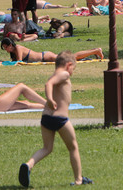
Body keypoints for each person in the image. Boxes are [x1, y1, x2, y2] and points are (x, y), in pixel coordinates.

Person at [19, 51, 93, 187]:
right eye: (73, 69)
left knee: (47, 148)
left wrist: (50, 99)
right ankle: (78, 180)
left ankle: (28, 165)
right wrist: (50, 98)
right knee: (73, 147)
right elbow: (48, 84)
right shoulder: (63, 74)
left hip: (46, 117)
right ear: (68, 65)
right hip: (60, 119)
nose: (72, 73)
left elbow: (50, 83)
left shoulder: (55, 73)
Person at [0, 38, 103, 62]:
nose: (6, 50)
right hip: (45, 57)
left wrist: (2, 63)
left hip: (45, 56)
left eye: (5, 47)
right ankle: (93, 50)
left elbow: (19, 62)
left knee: (72, 58)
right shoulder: (14, 52)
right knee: (72, 58)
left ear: (10, 45)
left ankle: (96, 51)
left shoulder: (18, 48)